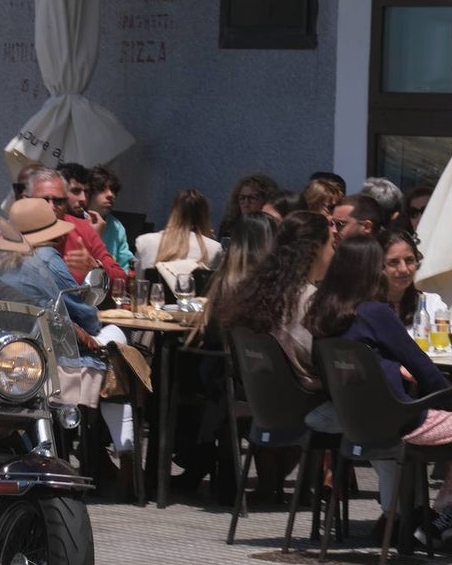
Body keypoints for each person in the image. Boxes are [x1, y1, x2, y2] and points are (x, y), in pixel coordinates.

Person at [304, 235, 452, 559]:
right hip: (399, 419)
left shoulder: (325, 313)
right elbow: (422, 367)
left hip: (358, 419)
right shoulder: (375, 312)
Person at [0, 198, 138, 481]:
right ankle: (126, 456)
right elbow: (83, 315)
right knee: (118, 343)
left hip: (1, 358)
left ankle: (114, 458)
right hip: (51, 359)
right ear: (53, 232)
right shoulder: (48, 260)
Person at [217, 211, 335, 500]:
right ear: (315, 250)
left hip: (257, 398)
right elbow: (321, 360)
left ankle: (271, 481)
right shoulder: (312, 301)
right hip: (301, 404)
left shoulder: (252, 292)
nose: (334, 253)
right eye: (331, 245)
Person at [173, 212, 278, 500]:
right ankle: (255, 478)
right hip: (263, 378)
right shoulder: (273, 285)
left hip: (227, 378)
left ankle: (207, 463)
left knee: (200, 376)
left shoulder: (224, 280)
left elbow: (213, 335)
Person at [22, 166, 127, 285]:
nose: (51, 207)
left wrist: (96, 268)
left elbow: (121, 278)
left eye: (58, 201)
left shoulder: (84, 230)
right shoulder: (14, 234)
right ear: (26, 200)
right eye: (43, 200)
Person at [135, 188, 222, 271]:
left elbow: (140, 278)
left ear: (173, 212)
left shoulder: (144, 241)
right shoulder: (215, 248)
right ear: (205, 216)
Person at [379, 229, 446, 324]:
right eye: (394, 262)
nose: (403, 269)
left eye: (409, 260)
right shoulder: (364, 310)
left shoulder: (432, 305)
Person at [86, 165, 135, 273]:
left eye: (113, 190)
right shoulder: (74, 222)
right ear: (87, 193)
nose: (111, 195)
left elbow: (125, 266)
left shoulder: (117, 226)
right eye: (102, 189)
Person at [218, 173, 277, 242]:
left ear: (265, 200)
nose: (246, 203)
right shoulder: (229, 225)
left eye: (252, 198)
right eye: (242, 198)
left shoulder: (272, 226)